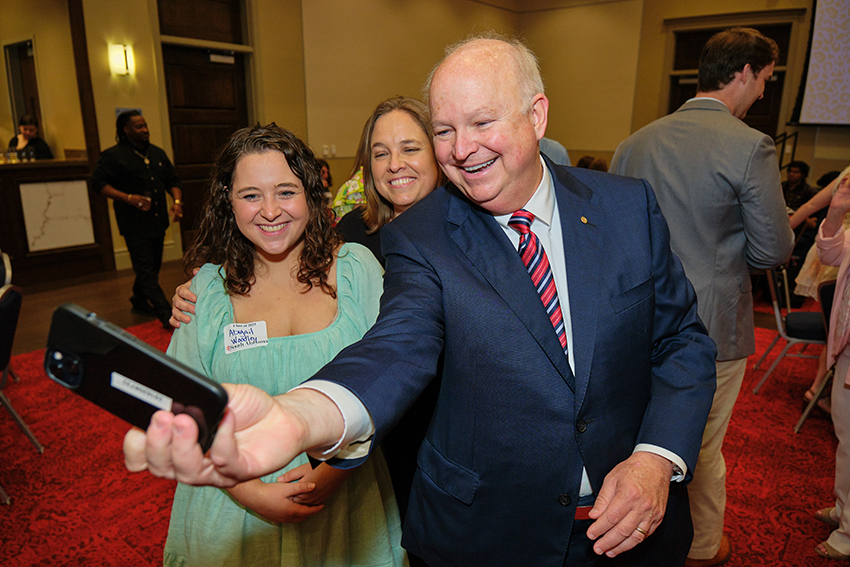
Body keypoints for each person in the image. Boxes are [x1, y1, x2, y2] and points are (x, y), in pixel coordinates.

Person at [125, 34, 717, 566]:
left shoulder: (626, 207)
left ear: (536, 115)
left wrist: (656, 457)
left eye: (482, 123)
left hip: (636, 526)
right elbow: (396, 348)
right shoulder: (420, 236)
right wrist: (300, 416)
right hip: (492, 537)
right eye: (444, 130)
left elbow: (681, 343)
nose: (461, 149)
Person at [160, 123, 405, 567]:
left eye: (286, 192)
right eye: (251, 194)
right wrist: (251, 493)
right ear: (227, 202)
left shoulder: (357, 270)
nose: (270, 211)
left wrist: (333, 473)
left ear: (311, 196)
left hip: (347, 501)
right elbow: (182, 408)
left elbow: (393, 379)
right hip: (231, 506)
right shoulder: (207, 291)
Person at [610, 27, 795, 567]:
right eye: (764, 80)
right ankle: (703, 547)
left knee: (638, 437)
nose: (763, 92)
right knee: (701, 445)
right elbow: (772, 251)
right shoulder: (749, 145)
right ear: (743, 73)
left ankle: (631, 534)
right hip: (711, 324)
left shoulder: (633, 143)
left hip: (633, 320)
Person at [91, 110, 183, 328]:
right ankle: (166, 315)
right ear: (126, 130)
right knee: (145, 269)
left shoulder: (157, 153)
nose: (145, 130)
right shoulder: (113, 156)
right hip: (133, 223)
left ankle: (139, 300)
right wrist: (128, 198)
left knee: (152, 266)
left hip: (158, 220)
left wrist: (177, 203)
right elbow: (98, 184)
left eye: (145, 125)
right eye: (139, 127)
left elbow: (173, 180)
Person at [334, 96, 440, 267]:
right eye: (381, 154)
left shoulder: (471, 231)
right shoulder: (351, 233)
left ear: (438, 153)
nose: (394, 165)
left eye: (410, 149)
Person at [812, 175, 850, 560]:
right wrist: (837, 212)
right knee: (845, 435)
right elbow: (830, 253)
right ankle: (843, 509)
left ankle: (849, 534)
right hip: (845, 350)